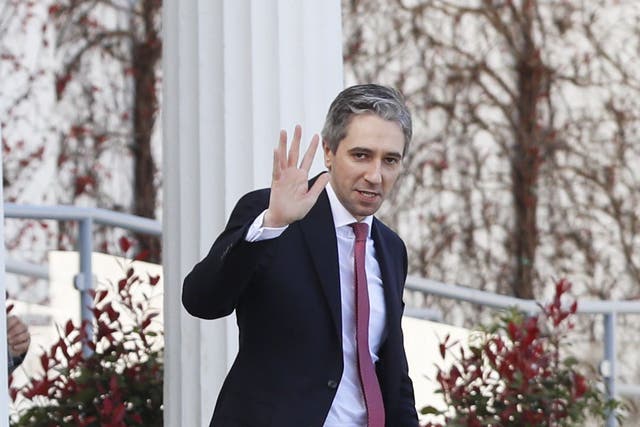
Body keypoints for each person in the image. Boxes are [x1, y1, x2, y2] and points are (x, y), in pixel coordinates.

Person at [182, 84, 419, 427]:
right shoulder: (271, 217)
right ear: (328, 151)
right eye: (361, 155)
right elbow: (202, 301)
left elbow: (392, 374)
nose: (375, 175)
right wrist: (272, 224)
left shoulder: (391, 248)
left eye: (390, 160)